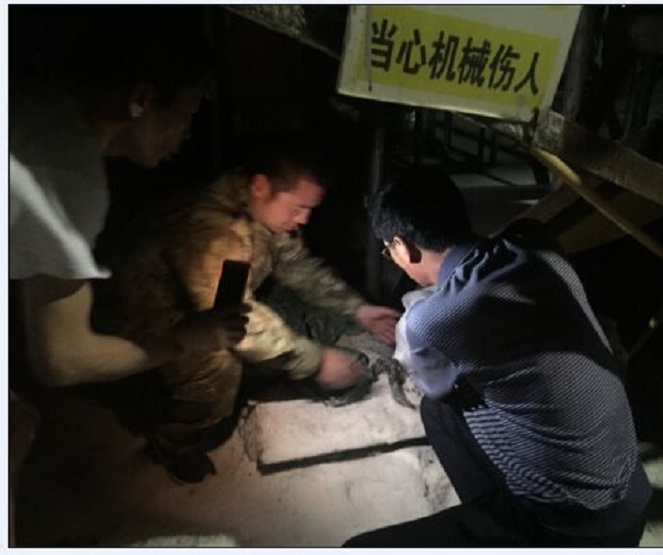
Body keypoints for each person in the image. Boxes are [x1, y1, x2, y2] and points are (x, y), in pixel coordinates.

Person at [8, 7, 248, 542]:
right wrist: (183, 340)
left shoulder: (33, 104)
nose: (187, 132)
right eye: (186, 112)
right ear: (141, 99)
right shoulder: (67, 169)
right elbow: (62, 358)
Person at [344, 167, 652, 547]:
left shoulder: (428, 320)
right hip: (633, 498)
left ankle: (509, 531)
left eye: (388, 251)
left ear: (403, 247)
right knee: (440, 414)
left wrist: (418, 314)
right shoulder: (535, 243)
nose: (394, 259)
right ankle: (491, 510)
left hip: (566, 526)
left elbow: (435, 383)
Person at [99, 143, 401, 483]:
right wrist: (316, 361)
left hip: (197, 301)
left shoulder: (260, 211)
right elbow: (238, 320)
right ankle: (174, 442)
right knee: (219, 364)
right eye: (299, 207)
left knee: (281, 326)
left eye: (309, 209)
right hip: (139, 314)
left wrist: (358, 309)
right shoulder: (215, 231)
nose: (304, 219)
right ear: (261, 186)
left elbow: (299, 267)